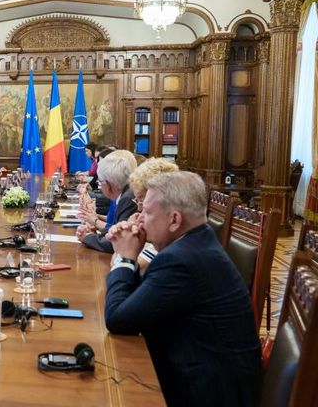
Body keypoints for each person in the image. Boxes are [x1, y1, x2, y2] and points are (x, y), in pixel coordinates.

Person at [104, 171, 261, 406]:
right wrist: (129, 257)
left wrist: (125, 258)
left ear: (174, 220)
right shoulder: (196, 243)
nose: (139, 219)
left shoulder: (181, 260)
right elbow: (135, 305)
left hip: (203, 395)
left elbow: (117, 319)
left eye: (147, 212)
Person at [112, 157, 179, 275]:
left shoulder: (164, 232)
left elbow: (123, 269)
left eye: (141, 201)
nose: (139, 209)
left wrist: (127, 239)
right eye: (137, 201)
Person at [77, 150, 138, 253]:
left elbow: (117, 239)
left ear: (108, 185)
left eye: (100, 182)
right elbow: (115, 227)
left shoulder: (127, 198)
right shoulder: (125, 194)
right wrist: (96, 231)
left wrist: (87, 237)